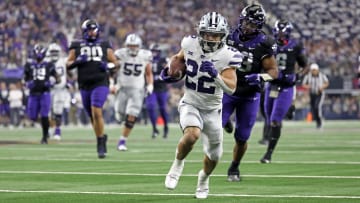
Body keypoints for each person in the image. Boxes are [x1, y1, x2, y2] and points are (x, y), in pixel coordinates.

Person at [161, 12, 241, 199]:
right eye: (207, 34)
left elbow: (231, 89)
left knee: (214, 156)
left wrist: (216, 75)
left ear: (223, 35)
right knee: (192, 134)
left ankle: (203, 179)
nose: (211, 38)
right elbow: (178, 59)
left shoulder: (229, 55)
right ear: (200, 32)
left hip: (213, 111)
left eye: (215, 35)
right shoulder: (189, 43)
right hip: (191, 102)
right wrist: (170, 71)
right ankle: (177, 164)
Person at [222, 4, 278, 182]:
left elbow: (274, 72)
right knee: (215, 126)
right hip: (228, 90)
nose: (247, 27)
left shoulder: (264, 43)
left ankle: (234, 166)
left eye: (252, 25)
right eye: (246, 22)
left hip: (250, 95)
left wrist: (262, 77)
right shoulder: (229, 37)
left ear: (259, 26)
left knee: (242, 137)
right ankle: (226, 123)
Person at [66, 19, 119, 158]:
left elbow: (116, 63)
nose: (91, 32)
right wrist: (77, 61)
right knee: (92, 116)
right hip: (84, 84)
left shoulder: (104, 44)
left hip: (100, 82)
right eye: (89, 30)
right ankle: (101, 136)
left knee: (97, 111)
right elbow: (68, 63)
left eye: (93, 30)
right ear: (84, 31)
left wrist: (107, 66)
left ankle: (100, 143)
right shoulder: (76, 44)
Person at [260, 19, 308, 163]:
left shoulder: (295, 46)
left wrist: (297, 76)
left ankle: (269, 153)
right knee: (268, 119)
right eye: (278, 33)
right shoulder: (269, 44)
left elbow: (304, 64)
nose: (280, 35)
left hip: (286, 87)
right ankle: (289, 109)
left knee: (274, 121)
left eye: (283, 33)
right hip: (271, 86)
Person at [114, 33, 154, 151]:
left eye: (135, 46)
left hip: (137, 89)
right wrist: (113, 83)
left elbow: (148, 72)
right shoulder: (120, 54)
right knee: (120, 114)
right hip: (122, 88)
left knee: (132, 115)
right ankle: (122, 123)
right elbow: (112, 70)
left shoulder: (145, 55)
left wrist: (150, 85)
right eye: (130, 45)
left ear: (139, 46)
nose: (132, 48)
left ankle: (122, 141)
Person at [24, 43, 58, 144]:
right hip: (33, 93)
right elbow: (24, 78)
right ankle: (47, 126)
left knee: (44, 115)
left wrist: (51, 82)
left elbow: (57, 78)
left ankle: (44, 137)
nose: (38, 55)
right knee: (32, 116)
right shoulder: (29, 65)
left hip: (45, 93)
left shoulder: (49, 65)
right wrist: (27, 83)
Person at [146, 43, 170, 138]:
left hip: (161, 88)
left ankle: (165, 127)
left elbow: (170, 71)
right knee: (150, 107)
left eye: (155, 51)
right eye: (152, 51)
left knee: (162, 109)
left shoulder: (164, 60)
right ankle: (154, 128)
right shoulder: (146, 60)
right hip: (151, 87)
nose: (153, 53)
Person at [47, 43, 70, 140]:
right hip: (48, 89)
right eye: (52, 52)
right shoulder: (46, 62)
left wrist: (68, 82)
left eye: (55, 52)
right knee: (47, 111)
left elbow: (70, 72)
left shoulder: (64, 61)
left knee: (58, 111)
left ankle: (57, 130)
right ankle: (48, 129)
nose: (54, 54)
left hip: (60, 89)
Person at [302, 63, 329, 129]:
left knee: (317, 107)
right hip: (312, 94)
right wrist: (308, 86)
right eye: (312, 70)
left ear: (317, 70)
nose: (313, 71)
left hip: (320, 94)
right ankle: (318, 122)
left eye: (315, 70)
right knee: (314, 109)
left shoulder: (322, 75)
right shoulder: (308, 76)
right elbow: (303, 84)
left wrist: (322, 87)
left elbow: (327, 83)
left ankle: (320, 122)